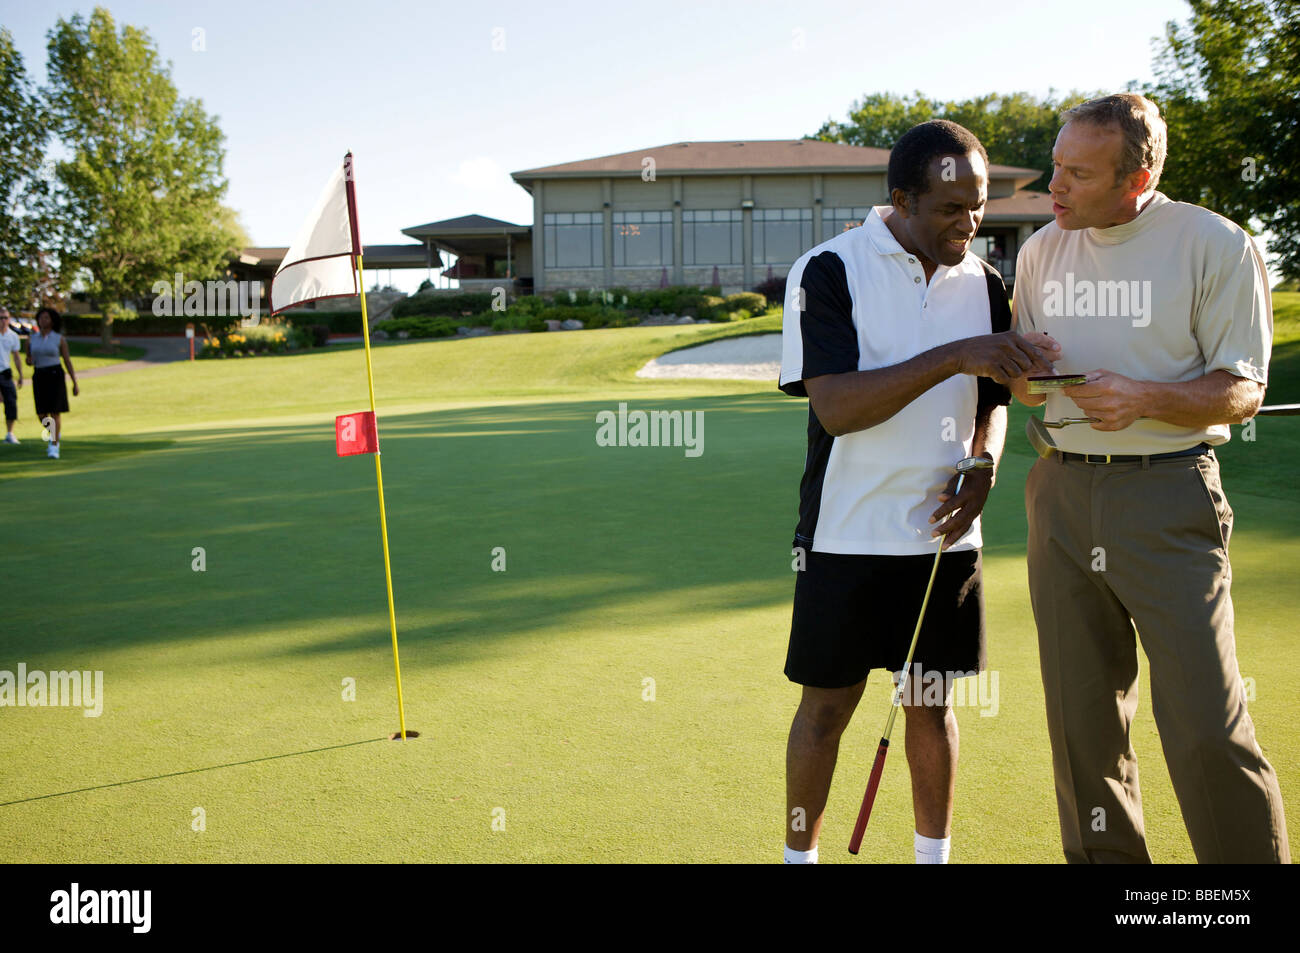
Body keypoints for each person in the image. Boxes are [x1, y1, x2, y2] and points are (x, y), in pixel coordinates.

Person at [1010, 92, 1289, 863]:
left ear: (1137, 178)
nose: (1054, 188)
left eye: (1077, 173)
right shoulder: (1040, 252)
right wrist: (1026, 379)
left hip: (1168, 494)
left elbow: (1243, 387)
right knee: (1081, 724)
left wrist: (1145, 397)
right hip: (1060, 496)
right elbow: (1027, 383)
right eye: (1055, 166)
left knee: (1205, 723)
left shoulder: (1215, 245)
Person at [778, 120, 1055, 864]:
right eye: (949, 209)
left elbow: (994, 396)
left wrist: (986, 461)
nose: (969, 223)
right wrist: (956, 353)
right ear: (900, 198)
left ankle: (932, 859)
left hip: (944, 538)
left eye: (979, 206)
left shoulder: (988, 282)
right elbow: (836, 406)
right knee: (827, 708)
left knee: (930, 705)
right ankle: (797, 860)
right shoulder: (828, 270)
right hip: (845, 533)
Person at [26, 307, 79, 459]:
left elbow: (67, 360)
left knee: (55, 411)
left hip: (55, 375)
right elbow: (29, 358)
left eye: (46, 318)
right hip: (39, 375)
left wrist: (74, 382)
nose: (43, 321)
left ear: (52, 321)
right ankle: (54, 432)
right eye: (41, 318)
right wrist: (28, 361)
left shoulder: (59, 338)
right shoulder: (32, 339)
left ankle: (54, 445)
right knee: (42, 413)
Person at [0, 307, 22, 444]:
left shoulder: (13, 336)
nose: (3, 321)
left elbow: (16, 356)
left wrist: (20, 375)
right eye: (0, 318)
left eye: (5, 318)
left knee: (11, 402)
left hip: (6, 374)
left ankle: (9, 433)